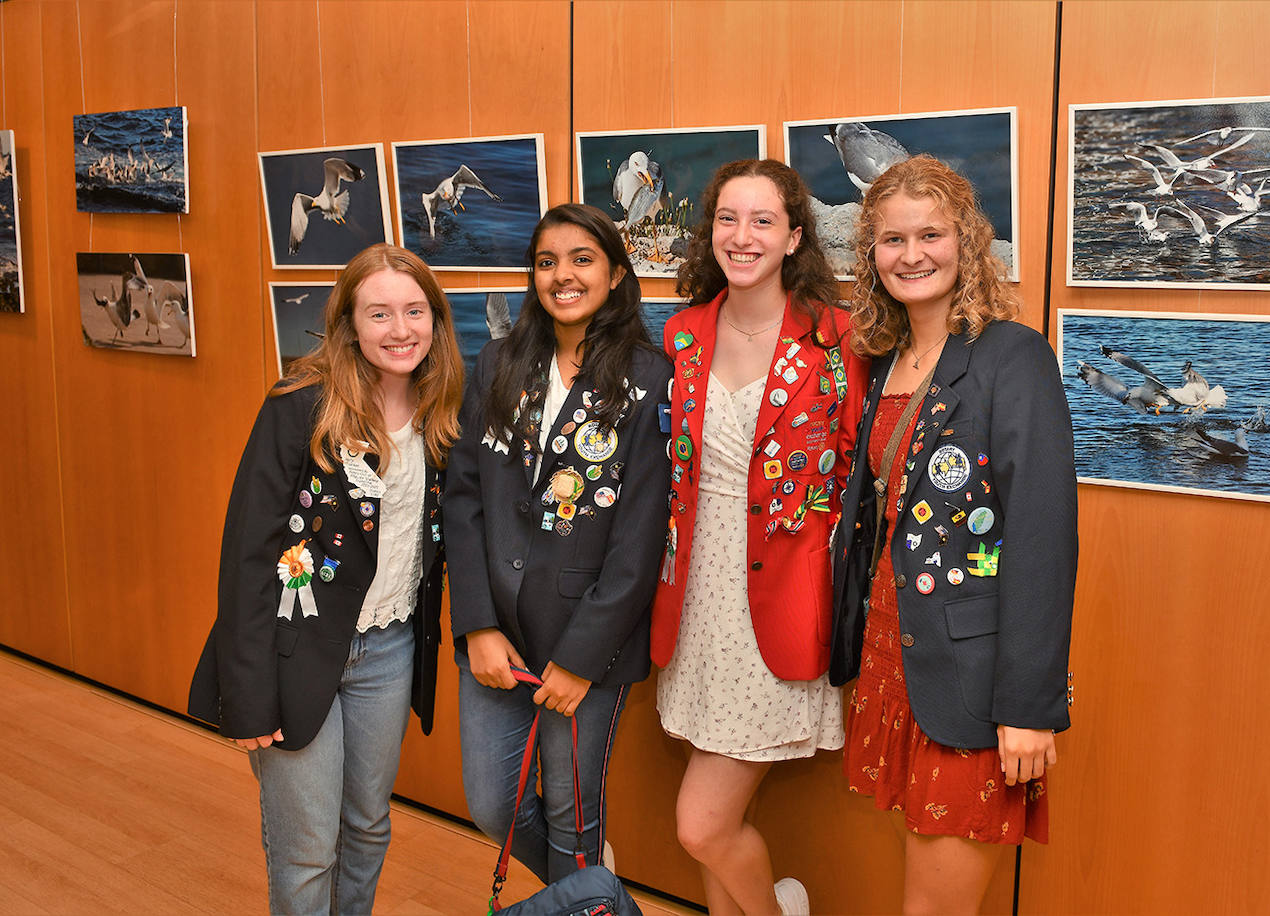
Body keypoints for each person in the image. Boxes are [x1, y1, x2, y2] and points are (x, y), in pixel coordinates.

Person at [829, 155, 1076, 915]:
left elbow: (1043, 538)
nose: (912, 255)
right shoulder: (889, 357)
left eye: (930, 234)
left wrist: (1030, 705)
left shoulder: (1014, 357)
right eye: (892, 240)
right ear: (870, 254)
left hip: (975, 677)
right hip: (898, 654)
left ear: (967, 242)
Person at [188, 243, 464, 913]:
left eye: (414, 311)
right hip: (294, 649)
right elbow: (247, 556)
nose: (400, 331)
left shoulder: (445, 410)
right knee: (309, 846)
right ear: (348, 323)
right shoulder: (300, 404)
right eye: (379, 314)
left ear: (436, 320)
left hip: (390, 649)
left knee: (368, 829)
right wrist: (246, 694)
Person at [652, 159, 868, 915]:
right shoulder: (681, 335)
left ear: (794, 236)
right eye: (726, 219)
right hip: (693, 600)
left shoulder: (835, 340)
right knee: (718, 826)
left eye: (762, 221)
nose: (741, 237)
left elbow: (856, 478)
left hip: (780, 599)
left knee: (701, 826)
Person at [444, 203, 671, 885]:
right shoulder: (499, 362)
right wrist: (477, 623)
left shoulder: (649, 378)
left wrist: (579, 660)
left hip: (586, 644)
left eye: (581, 260)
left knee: (575, 819)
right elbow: (463, 498)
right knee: (491, 805)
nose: (562, 276)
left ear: (615, 274)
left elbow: (640, 538)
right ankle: (588, 895)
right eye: (546, 262)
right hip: (497, 639)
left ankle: (581, 890)